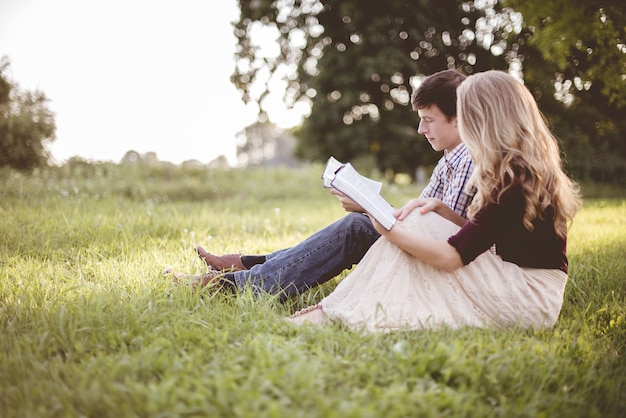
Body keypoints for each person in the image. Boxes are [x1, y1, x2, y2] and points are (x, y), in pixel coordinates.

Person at [286, 70, 582, 332]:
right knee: (421, 217)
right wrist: (443, 212)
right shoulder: (513, 167)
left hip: (529, 296)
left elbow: (453, 257)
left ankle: (335, 312)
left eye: (466, 115)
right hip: (518, 280)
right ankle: (335, 309)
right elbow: (488, 234)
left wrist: (388, 228)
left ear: (485, 118)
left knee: (412, 224)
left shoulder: (515, 176)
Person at [168, 69, 475, 299]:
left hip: (440, 261)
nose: (421, 129)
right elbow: (422, 220)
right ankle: (243, 265)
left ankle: (236, 283)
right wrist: (372, 207)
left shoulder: (468, 160)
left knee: (356, 227)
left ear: (458, 118)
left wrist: (369, 210)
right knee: (358, 222)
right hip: (425, 244)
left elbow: (444, 235)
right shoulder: (448, 160)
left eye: (429, 120)